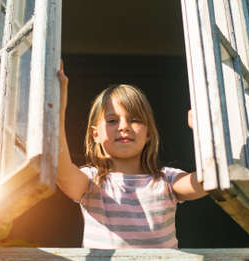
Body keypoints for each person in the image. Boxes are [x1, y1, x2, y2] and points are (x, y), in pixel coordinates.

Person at [56, 61, 207, 249]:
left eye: (134, 120)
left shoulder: (167, 179)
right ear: (95, 134)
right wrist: (56, 108)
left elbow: (208, 181)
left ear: (148, 133)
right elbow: (61, 171)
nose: (124, 127)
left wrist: (205, 130)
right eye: (112, 120)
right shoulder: (91, 181)